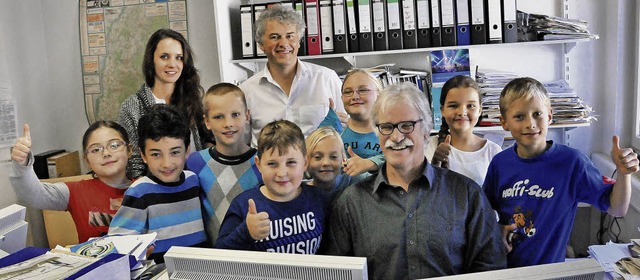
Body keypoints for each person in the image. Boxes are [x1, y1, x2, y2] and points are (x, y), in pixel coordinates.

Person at [324, 82, 506, 279]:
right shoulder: (351, 203)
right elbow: (339, 273)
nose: (396, 136)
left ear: (427, 130)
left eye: (406, 125)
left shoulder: (467, 195)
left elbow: (490, 267)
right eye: (387, 127)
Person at [483, 77, 640, 267]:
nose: (530, 123)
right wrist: (496, 230)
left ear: (549, 116)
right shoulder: (500, 163)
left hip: (552, 271)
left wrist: (624, 174)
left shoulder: (572, 162)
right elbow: (484, 213)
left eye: (537, 114)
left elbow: (617, 208)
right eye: (519, 116)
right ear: (504, 122)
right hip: (505, 269)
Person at [109, 104, 207, 263]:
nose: (166, 164)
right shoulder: (139, 192)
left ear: (187, 150)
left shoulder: (193, 181)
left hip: (199, 270)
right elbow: (118, 244)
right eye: (156, 154)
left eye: (175, 152)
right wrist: (138, 256)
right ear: (143, 155)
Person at [214, 120, 329, 254]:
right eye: (272, 164)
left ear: (304, 163)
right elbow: (219, 256)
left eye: (291, 162)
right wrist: (246, 232)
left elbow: (330, 251)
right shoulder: (243, 205)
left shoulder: (318, 199)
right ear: (258, 164)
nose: (281, 173)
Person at [239, 5, 346, 147]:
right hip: (269, 169)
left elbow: (348, 130)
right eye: (274, 37)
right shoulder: (246, 92)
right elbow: (243, 144)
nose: (283, 43)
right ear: (261, 45)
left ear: (299, 41)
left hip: (320, 167)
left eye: (290, 36)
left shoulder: (326, 79)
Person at [10, 121, 131, 243]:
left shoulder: (146, 187)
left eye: (114, 145)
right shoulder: (75, 191)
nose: (106, 153)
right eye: (95, 150)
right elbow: (31, 194)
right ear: (87, 161)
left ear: (129, 150)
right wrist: (22, 163)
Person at [119, 28, 213, 179]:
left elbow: (208, 143)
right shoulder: (132, 106)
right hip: (155, 191)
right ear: (151, 60)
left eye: (179, 58)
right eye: (164, 57)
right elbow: (134, 164)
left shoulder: (194, 99)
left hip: (196, 185)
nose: (172, 64)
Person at [186, 83, 263, 245]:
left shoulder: (262, 163)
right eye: (218, 117)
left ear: (247, 116)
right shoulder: (195, 163)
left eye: (235, 114)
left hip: (254, 257)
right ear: (207, 122)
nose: (228, 123)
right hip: (213, 257)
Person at [425, 75, 502, 186]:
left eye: (470, 105)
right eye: (453, 105)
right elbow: (423, 193)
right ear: (442, 110)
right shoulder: (429, 147)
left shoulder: (493, 151)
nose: (462, 112)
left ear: (480, 110)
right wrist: (435, 164)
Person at [340, 69, 385, 177]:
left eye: (363, 90)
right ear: (342, 98)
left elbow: (405, 161)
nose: (355, 96)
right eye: (348, 92)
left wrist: (370, 163)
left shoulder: (392, 131)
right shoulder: (336, 132)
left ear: (378, 95)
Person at [305, 126, 367, 200]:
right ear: (306, 161)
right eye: (318, 157)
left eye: (333, 157)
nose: (326, 163)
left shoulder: (356, 182)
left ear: (343, 160)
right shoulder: (301, 192)